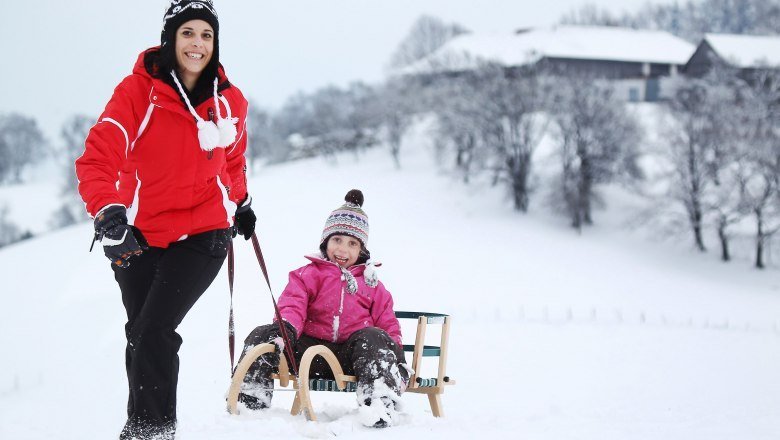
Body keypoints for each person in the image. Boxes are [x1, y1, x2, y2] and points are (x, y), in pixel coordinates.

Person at [75, 1, 256, 438]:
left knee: (155, 328)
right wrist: (107, 209)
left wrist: (242, 201)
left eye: (206, 35)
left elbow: (232, 158)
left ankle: (149, 431)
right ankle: (143, 425)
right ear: (170, 39)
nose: (197, 44)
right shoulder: (137, 92)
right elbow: (99, 154)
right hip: (136, 233)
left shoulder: (228, 101)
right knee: (140, 331)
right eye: (188, 33)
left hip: (204, 233)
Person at [237, 189, 412, 428]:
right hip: (308, 350)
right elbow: (293, 304)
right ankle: (250, 398)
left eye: (352, 244)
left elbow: (387, 323)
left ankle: (380, 403)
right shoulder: (308, 274)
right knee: (263, 333)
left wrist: (396, 357)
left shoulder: (371, 285)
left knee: (373, 336)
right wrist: (286, 327)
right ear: (325, 241)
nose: (342, 249)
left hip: (352, 356)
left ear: (361, 250)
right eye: (337, 240)